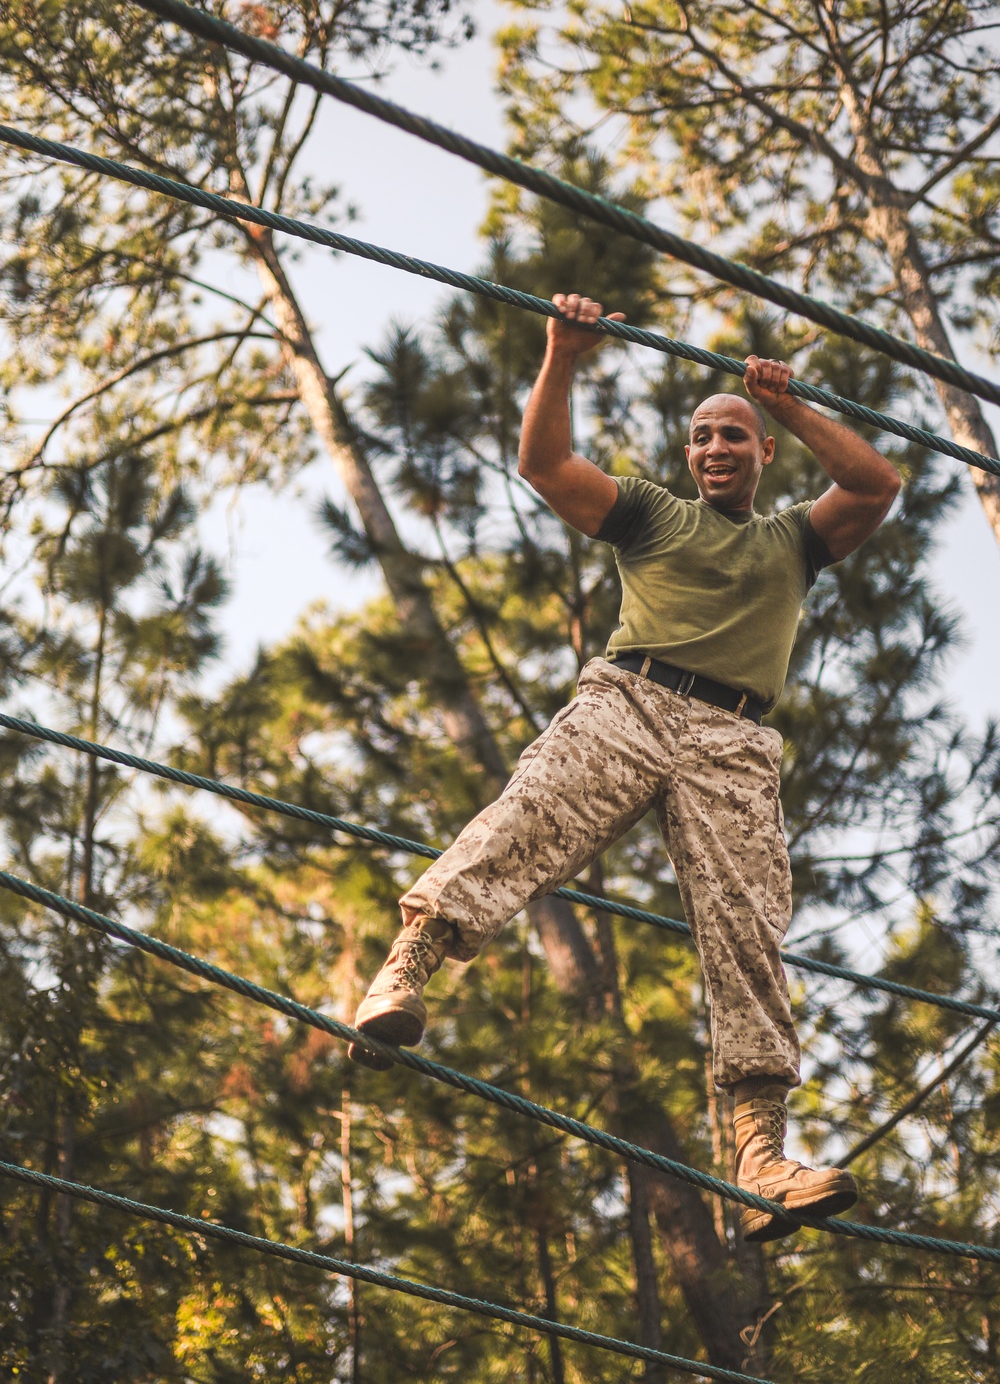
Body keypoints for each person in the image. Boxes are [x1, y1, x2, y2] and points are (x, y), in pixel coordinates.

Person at [349, 292, 901, 1242]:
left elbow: (875, 484)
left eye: (735, 436)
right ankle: (404, 971)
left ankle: (761, 1153)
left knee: (748, 928)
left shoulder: (793, 542)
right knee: (526, 820)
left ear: (764, 454)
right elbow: (546, 464)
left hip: (734, 739)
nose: (717, 448)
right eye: (702, 437)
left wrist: (788, 405)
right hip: (631, 702)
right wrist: (563, 351)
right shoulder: (651, 514)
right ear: (688, 456)